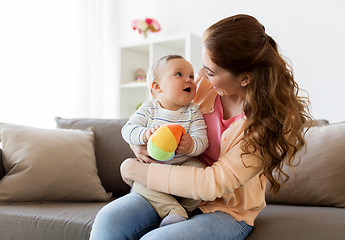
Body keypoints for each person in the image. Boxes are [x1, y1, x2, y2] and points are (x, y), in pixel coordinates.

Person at [90, 14, 311, 240]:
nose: (201, 75)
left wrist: (133, 169)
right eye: (204, 66)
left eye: (211, 71)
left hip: (225, 209)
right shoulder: (203, 87)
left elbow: (212, 184)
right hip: (171, 192)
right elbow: (160, 112)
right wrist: (138, 142)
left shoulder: (270, 123)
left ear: (245, 78)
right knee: (109, 221)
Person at [120, 55, 208, 227]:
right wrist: (145, 134)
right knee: (139, 183)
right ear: (157, 86)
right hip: (153, 169)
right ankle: (175, 211)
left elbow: (202, 141)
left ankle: (184, 208)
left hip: (182, 168)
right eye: (179, 74)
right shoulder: (148, 109)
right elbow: (127, 130)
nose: (189, 80)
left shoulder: (192, 112)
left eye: (191, 76)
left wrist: (191, 145)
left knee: (200, 171)